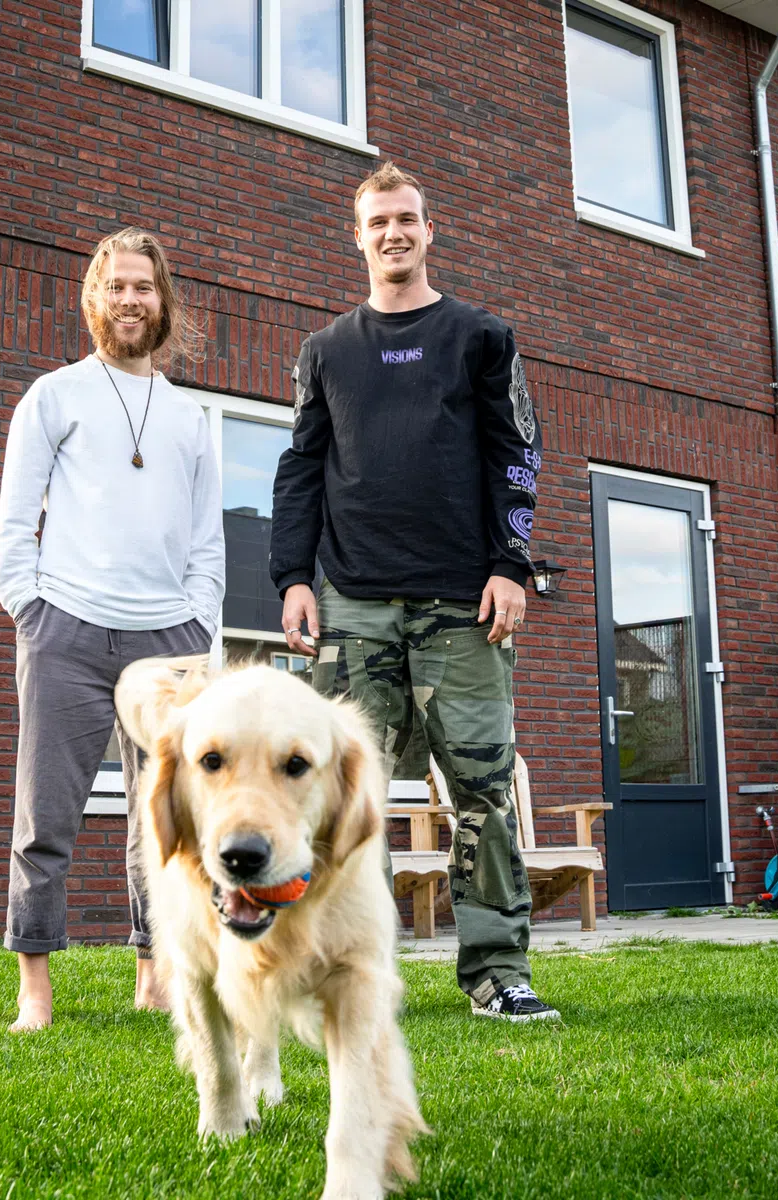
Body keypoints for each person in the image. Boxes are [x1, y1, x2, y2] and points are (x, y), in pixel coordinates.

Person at [269, 162, 558, 1022]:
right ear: (356, 237)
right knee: (341, 793)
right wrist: (291, 577)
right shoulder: (326, 352)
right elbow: (300, 469)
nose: (394, 233)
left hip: (463, 604)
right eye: (378, 222)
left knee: (482, 789)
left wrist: (511, 562)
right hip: (354, 604)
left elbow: (518, 453)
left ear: (431, 232)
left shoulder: (481, 337)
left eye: (408, 219)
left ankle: (497, 970)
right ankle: (353, 970)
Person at [0, 228, 224, 1032]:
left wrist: (202, 623)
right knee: (44, 815)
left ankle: (154, 977)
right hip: (69, 631)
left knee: (161, 822)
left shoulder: (191, 418)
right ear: (96, 299)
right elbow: (15, 520)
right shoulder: (54, 396)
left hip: (169, 643)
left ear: (163, 302)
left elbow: (206, 539)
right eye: (117, 286)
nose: (131, 299)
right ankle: (35, 987)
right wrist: (32, 608)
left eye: (145, 287)